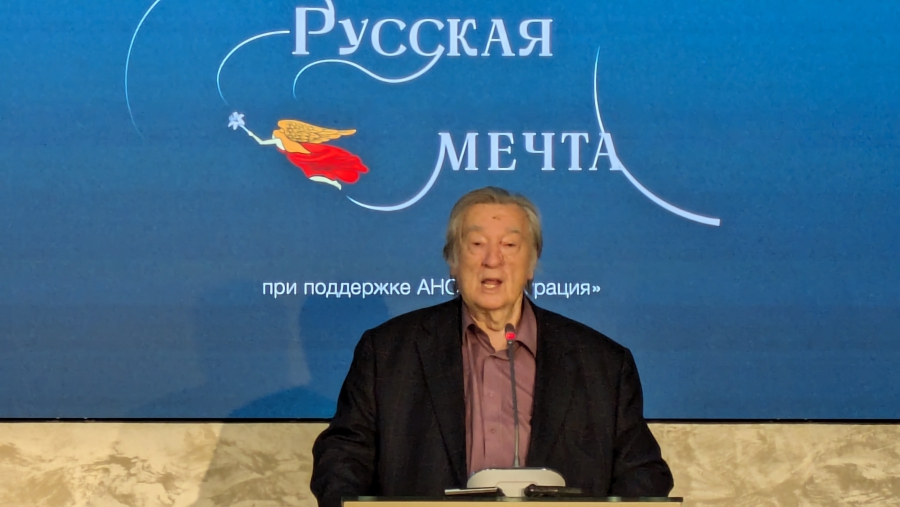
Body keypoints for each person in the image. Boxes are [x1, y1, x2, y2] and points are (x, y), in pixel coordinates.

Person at [311, 187, 673, 507]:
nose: (492, 259)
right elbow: (342, 458)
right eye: (477, 244)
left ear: (531, 263)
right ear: (453, 260)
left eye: (510, 245)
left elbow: (642, 473)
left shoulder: (602, 364)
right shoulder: (388, 353)